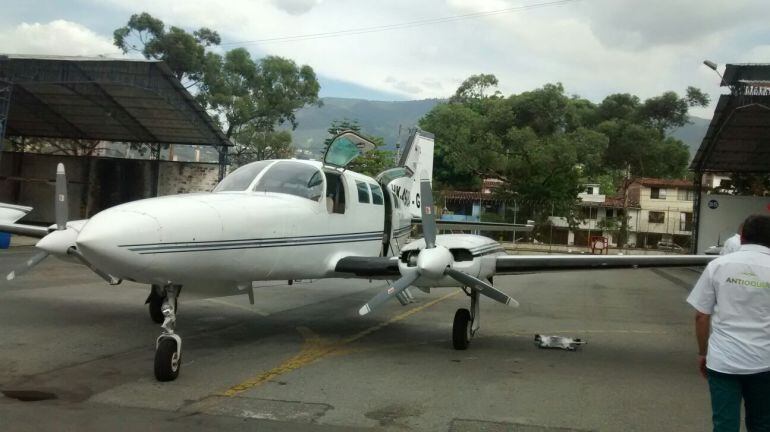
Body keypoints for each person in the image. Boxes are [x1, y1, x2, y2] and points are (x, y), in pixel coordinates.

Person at [687, 214, 770, 432]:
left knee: (725, 424)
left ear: (741, 237)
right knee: (762, 423)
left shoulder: (718, 265)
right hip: (764, 361)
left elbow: (701, 316)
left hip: (724, 360)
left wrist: (702, 352)